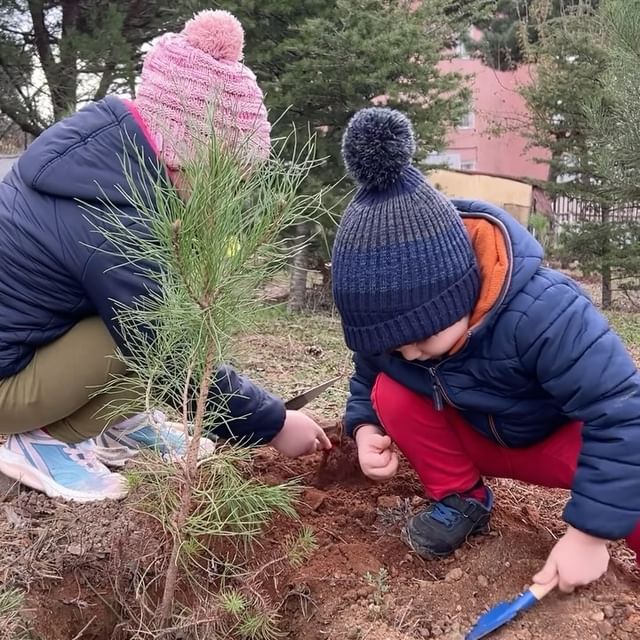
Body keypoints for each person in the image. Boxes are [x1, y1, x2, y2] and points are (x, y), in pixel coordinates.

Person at [0, 9, 330, 503]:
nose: (226, 194)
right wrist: (275, 423)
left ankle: (115, 423)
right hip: (7, 383)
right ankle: (38, 442)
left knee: (145, 326)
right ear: (186, 153)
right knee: (150, 338)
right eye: (223, 177)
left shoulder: (105, 160)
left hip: (28, 349)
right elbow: (174, 354)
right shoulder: (112, 213)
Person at [330, 106, 640, 593]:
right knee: (390, 392)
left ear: (460, 290)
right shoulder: (401, 341)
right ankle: (463, 498)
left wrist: (590, 534)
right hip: (478, 433)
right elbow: (369, 372)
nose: (409, 354)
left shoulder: (544, 312)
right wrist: (364, 424)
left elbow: (622, 413)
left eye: (420, 339)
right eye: (394, 343)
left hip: (559, 442)